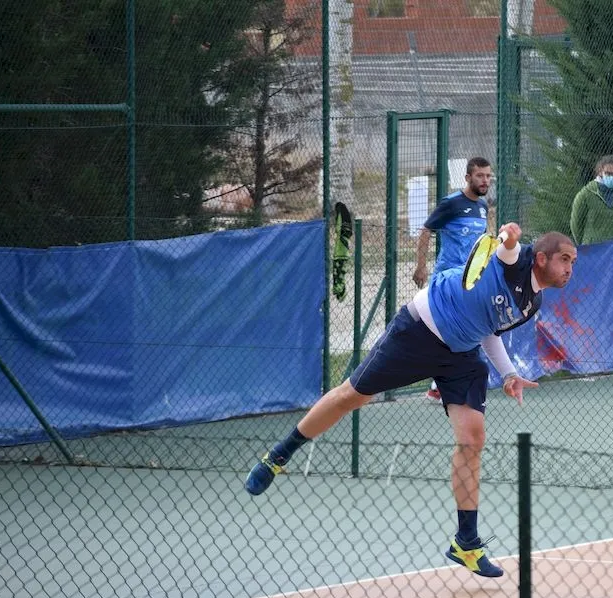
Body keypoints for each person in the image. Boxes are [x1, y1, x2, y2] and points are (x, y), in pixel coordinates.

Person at [245, 224, 578, 579]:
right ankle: (280, 453)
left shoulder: (532, 302)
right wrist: (509, 236)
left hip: (461, 354)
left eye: (573, 261)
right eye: (564, 259)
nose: (570, 268)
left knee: (472, 439)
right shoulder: (515, 261)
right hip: (419, 332)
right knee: (351, 396)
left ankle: (466, 542)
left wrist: (509, 374)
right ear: (541, 258)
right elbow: (506, 250)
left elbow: (489, 332)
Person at [412, 157, 493, 403]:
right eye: (480, 176)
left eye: (489, 176)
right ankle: (439, 384)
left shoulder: (482, 207)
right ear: (467, 178)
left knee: (469, 330)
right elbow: (426, 231)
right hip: (447, 282)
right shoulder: (451, 204)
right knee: (445, 332)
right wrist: (421, 266)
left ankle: (444, 385)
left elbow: (483, 241)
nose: (485, 180)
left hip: (471, 280)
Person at [570, 155, 613, 245]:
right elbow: (576, 224)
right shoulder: (586, 194)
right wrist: (585, 243)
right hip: (592, 248)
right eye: (608, 173)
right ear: (600, 172)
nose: (612, 177)